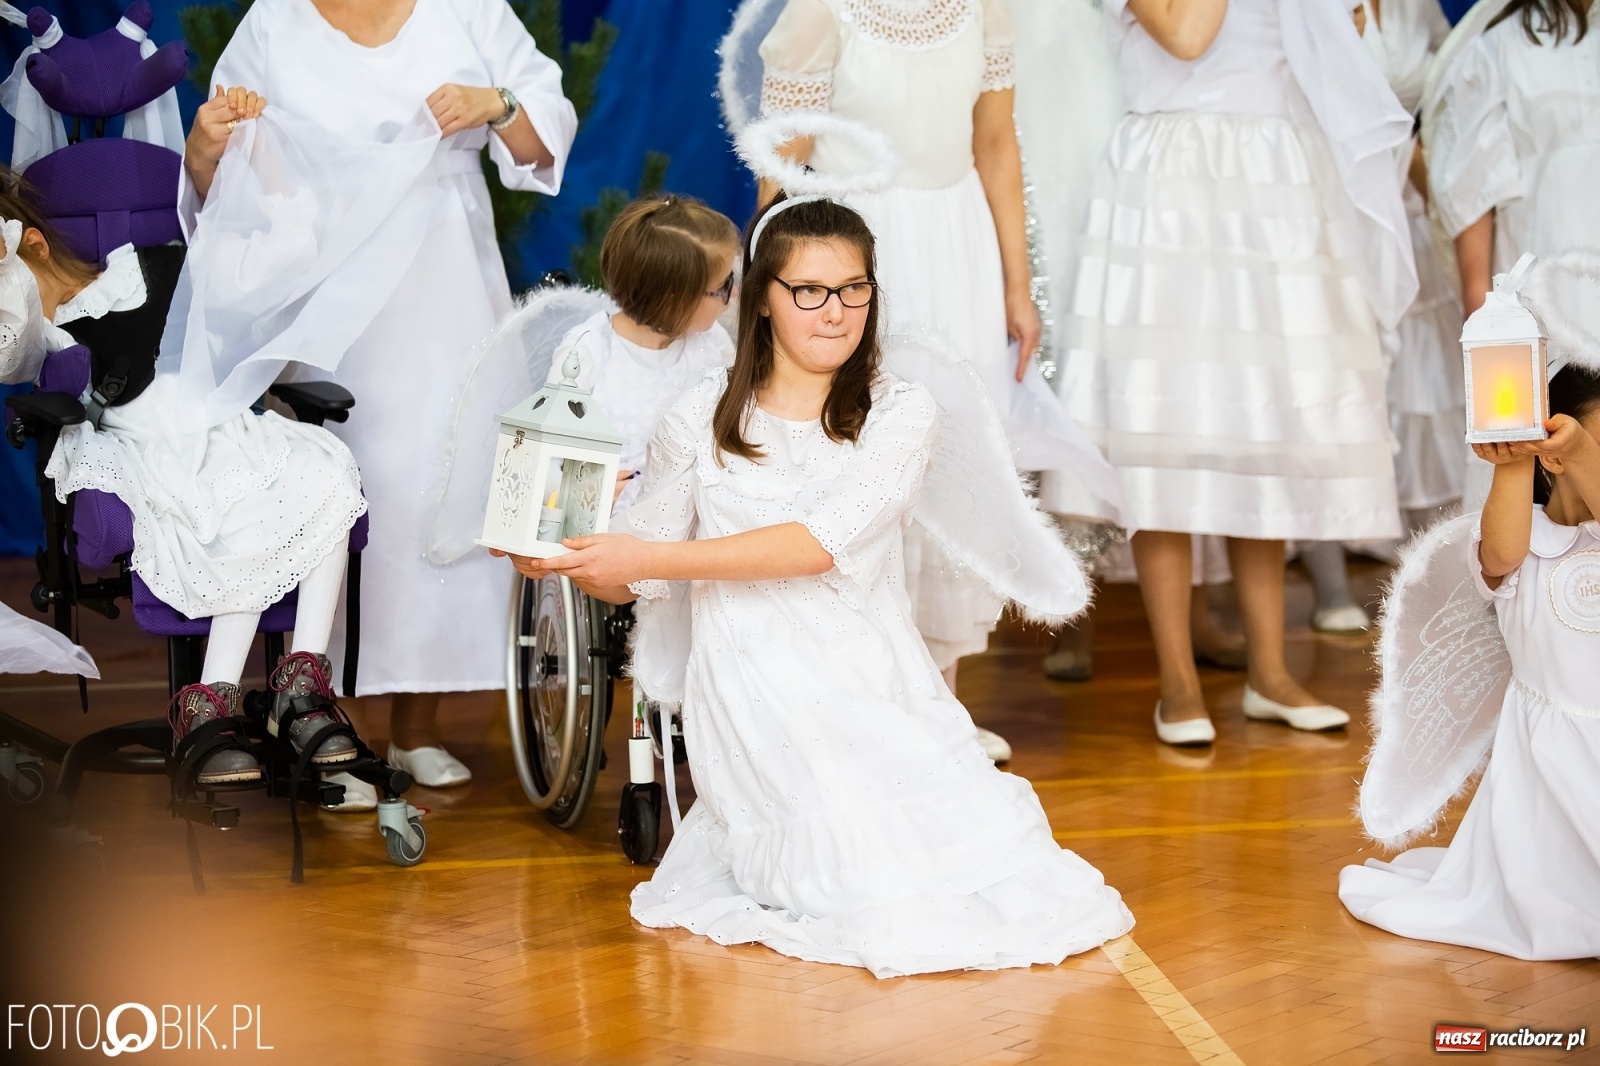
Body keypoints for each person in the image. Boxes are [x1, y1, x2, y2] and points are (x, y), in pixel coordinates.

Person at [501, 196, 1134, 978]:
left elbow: (816, 547)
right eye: (808, 291)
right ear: (763, 299)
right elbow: (644, 580)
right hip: (751, 693)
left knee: (973, 885)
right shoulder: (694, 416)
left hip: (874, 683)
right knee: (862, 889)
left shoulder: (901, 413)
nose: (835, 312)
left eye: (853, 289)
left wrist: (646, 558)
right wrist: (566, 558)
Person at [186, 0, 577, 807]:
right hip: (323, 287)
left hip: (443, 280)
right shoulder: (274, 20)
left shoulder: (469, 10)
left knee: (438, 483)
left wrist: (495, 104)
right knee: (335, 491)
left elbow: (543, 134)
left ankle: (417, 724)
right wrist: (207, 143)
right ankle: (323, 727)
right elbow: (215, 183)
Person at [1059, 0, 1415, 745]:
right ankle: (1177, 684)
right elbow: (1188, 38)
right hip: (1169, 191)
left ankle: (1271, 675)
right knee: (1164, 439)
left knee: (1264, 433)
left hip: (1272, 189)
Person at [0, 169, 364, 787]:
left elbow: (244, 308)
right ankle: (211, 699)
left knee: (324, 466)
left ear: (35, 241)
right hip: (148, 441)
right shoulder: (38, 325)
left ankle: (302, 687)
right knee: (220, 503)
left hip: (219, 421)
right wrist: (4, 268)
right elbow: (9, 352)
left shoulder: (146, 267)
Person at [753, 0, 1042, 760]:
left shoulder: (984, 10)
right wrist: (780, 292)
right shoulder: (819, 12)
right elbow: (782, 169)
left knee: (950, 461)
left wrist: (1018, 283)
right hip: (853, 251)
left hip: (959, 247)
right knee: (861, 461)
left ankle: (937, 701)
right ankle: (867, 702)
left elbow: (995, 143)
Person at [1339, 361, 1600, 959]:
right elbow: (1500, 552)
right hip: (1547, 758)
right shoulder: (1527, 538)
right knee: (1557, 877)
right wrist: (1512, 458)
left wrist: (1583, 452)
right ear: (1553, 457)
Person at [1425, 0, 1600, 510]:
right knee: (1542, 439)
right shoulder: (1494, 47)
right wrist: (1483, 312)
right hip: (1545, 275)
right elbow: (1471, 192)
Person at [545, 196, 739, 511]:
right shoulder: (589, 352)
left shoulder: (713, 345)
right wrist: (579, 494)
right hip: (604, 532)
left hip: (685, 528)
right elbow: (547, 455)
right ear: (675, 300)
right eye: (723, 287)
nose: (732, 296)